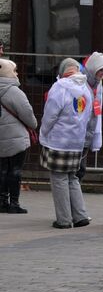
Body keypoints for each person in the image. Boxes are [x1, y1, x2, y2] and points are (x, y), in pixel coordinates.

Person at [40, 57, 97, 229]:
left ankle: (64, 219)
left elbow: (50, 116)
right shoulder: (86, 88)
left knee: (58, 179)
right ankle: (80, 215)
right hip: (76, 141)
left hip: (58, 140)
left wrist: (43, 133)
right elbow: (88, 116)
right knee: (72, 178)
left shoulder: (60, 87)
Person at [0, 58, 37, 213]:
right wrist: (33, 125)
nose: (16, 74)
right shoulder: (14, 91)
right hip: (16, 137)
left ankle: (2, 202)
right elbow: (27, 114)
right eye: (14, 70)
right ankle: (14, 203)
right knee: (15, 170)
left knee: (2, 170)